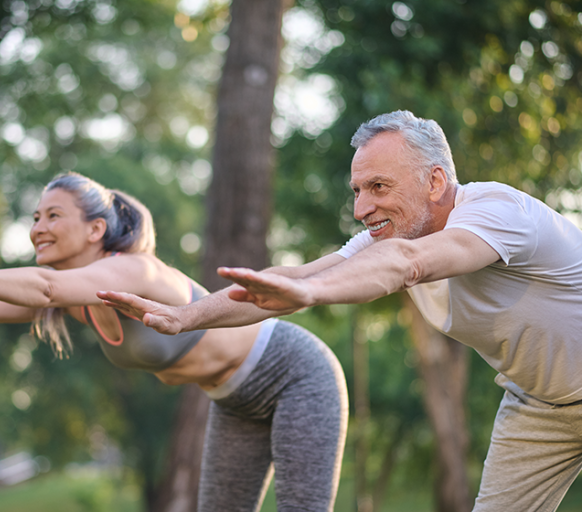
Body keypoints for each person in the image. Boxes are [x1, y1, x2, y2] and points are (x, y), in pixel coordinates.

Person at [99, 110, 582, 512]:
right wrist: (183, 318)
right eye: (357, 191)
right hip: (539, 406)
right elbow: (290, 280)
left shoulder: (497, 212)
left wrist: (314, 294)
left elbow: (407, 265)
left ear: (435, 181)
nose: (360, 209)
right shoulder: (390, 237)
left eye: (378, 187)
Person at [0, 172, 348, 512]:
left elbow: (23, 286)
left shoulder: (137, 271)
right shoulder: (71, 295)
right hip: (233, 403)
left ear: (95, 230)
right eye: (35, 218)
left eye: (53, 216)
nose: (37, 229)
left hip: (294, 373)